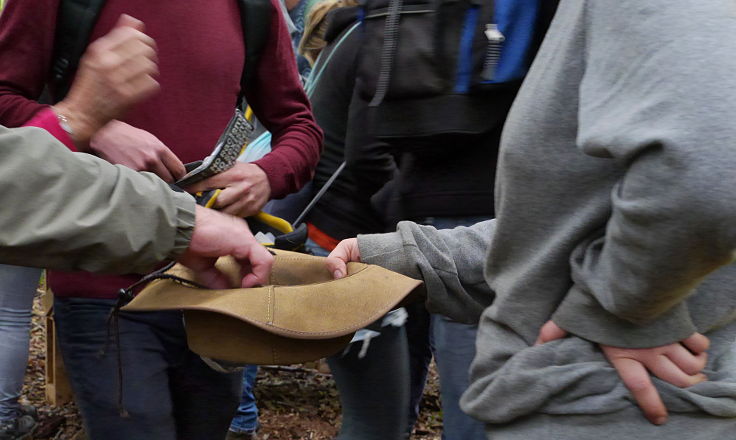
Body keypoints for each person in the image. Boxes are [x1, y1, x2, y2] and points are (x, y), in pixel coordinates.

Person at [326, 0, 736, 438]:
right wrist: (415, 257)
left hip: (618, 405)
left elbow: (707, 171)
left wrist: (618, 308)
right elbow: (573, 225)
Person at [0, 0, 321, 437]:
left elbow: (300, 125)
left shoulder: (252, 6)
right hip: (106, 288)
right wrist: (89, 124)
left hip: (214, 289)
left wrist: (267, 174)